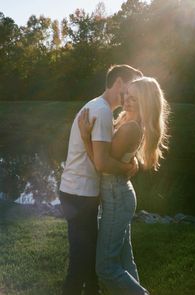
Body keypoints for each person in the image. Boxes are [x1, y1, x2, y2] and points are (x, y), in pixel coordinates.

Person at [78, 76, 170, 295]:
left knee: (106, 268)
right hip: (118, 194)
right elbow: (118, 160)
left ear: (145, 103)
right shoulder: (127, 122)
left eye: (134, 99)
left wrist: (85, 138)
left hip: (117, 196)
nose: (127, 101)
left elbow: (103, 165)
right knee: (124, 260)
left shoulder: (130, 128)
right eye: (127, 95)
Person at [59, 64, 143, 295]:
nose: (131, 93)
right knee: (81, 263)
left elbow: (106, 157)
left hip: (81, 192)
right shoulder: (102, 110)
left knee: (90, 261)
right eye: (130, 86)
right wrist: (127, 166)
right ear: (119, 83)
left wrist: (130, 162)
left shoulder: (100, 108)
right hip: (79, 193)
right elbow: (102, 163)